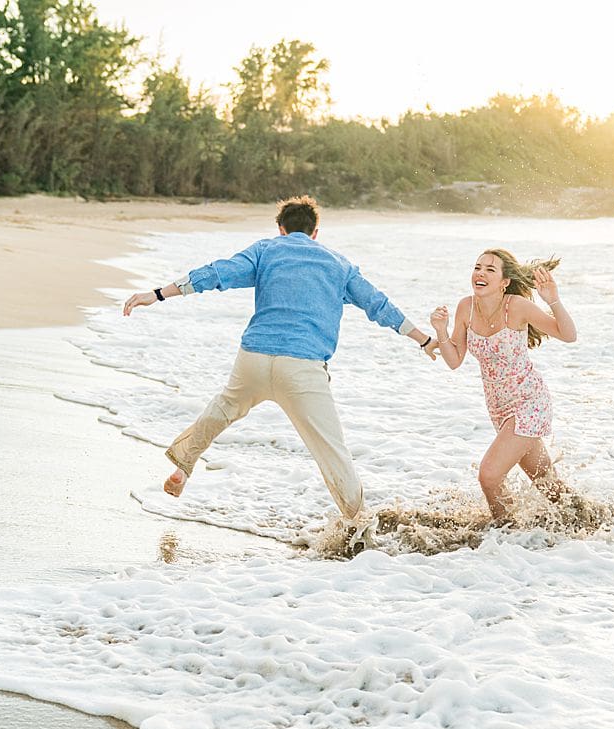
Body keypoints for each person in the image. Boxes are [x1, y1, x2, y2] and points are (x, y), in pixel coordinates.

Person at [122, 196, 438, 546]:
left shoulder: (266, 250)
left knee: (224, 408)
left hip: (254, 358)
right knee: (331, 449)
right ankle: (359, 529)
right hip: (302, 368)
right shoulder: (339, 264)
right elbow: (378, 304)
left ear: (280, 229)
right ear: (315, 232)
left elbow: (217, 273)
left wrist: (158, 294)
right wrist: (423, 339)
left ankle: (184, 465)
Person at [429, 248, 580, 524]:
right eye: (477, 267)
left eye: (490, 269)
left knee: (489, 475)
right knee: (549, 486)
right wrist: (441, 330)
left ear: (504, 282)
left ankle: (507, 534)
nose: (481, 273)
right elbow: (454, 360)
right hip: (499, 409)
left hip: (529, 404)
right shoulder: (466, 308)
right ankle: (588, 519)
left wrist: (553, 300)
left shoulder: (516, 307)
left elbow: (569, 335)